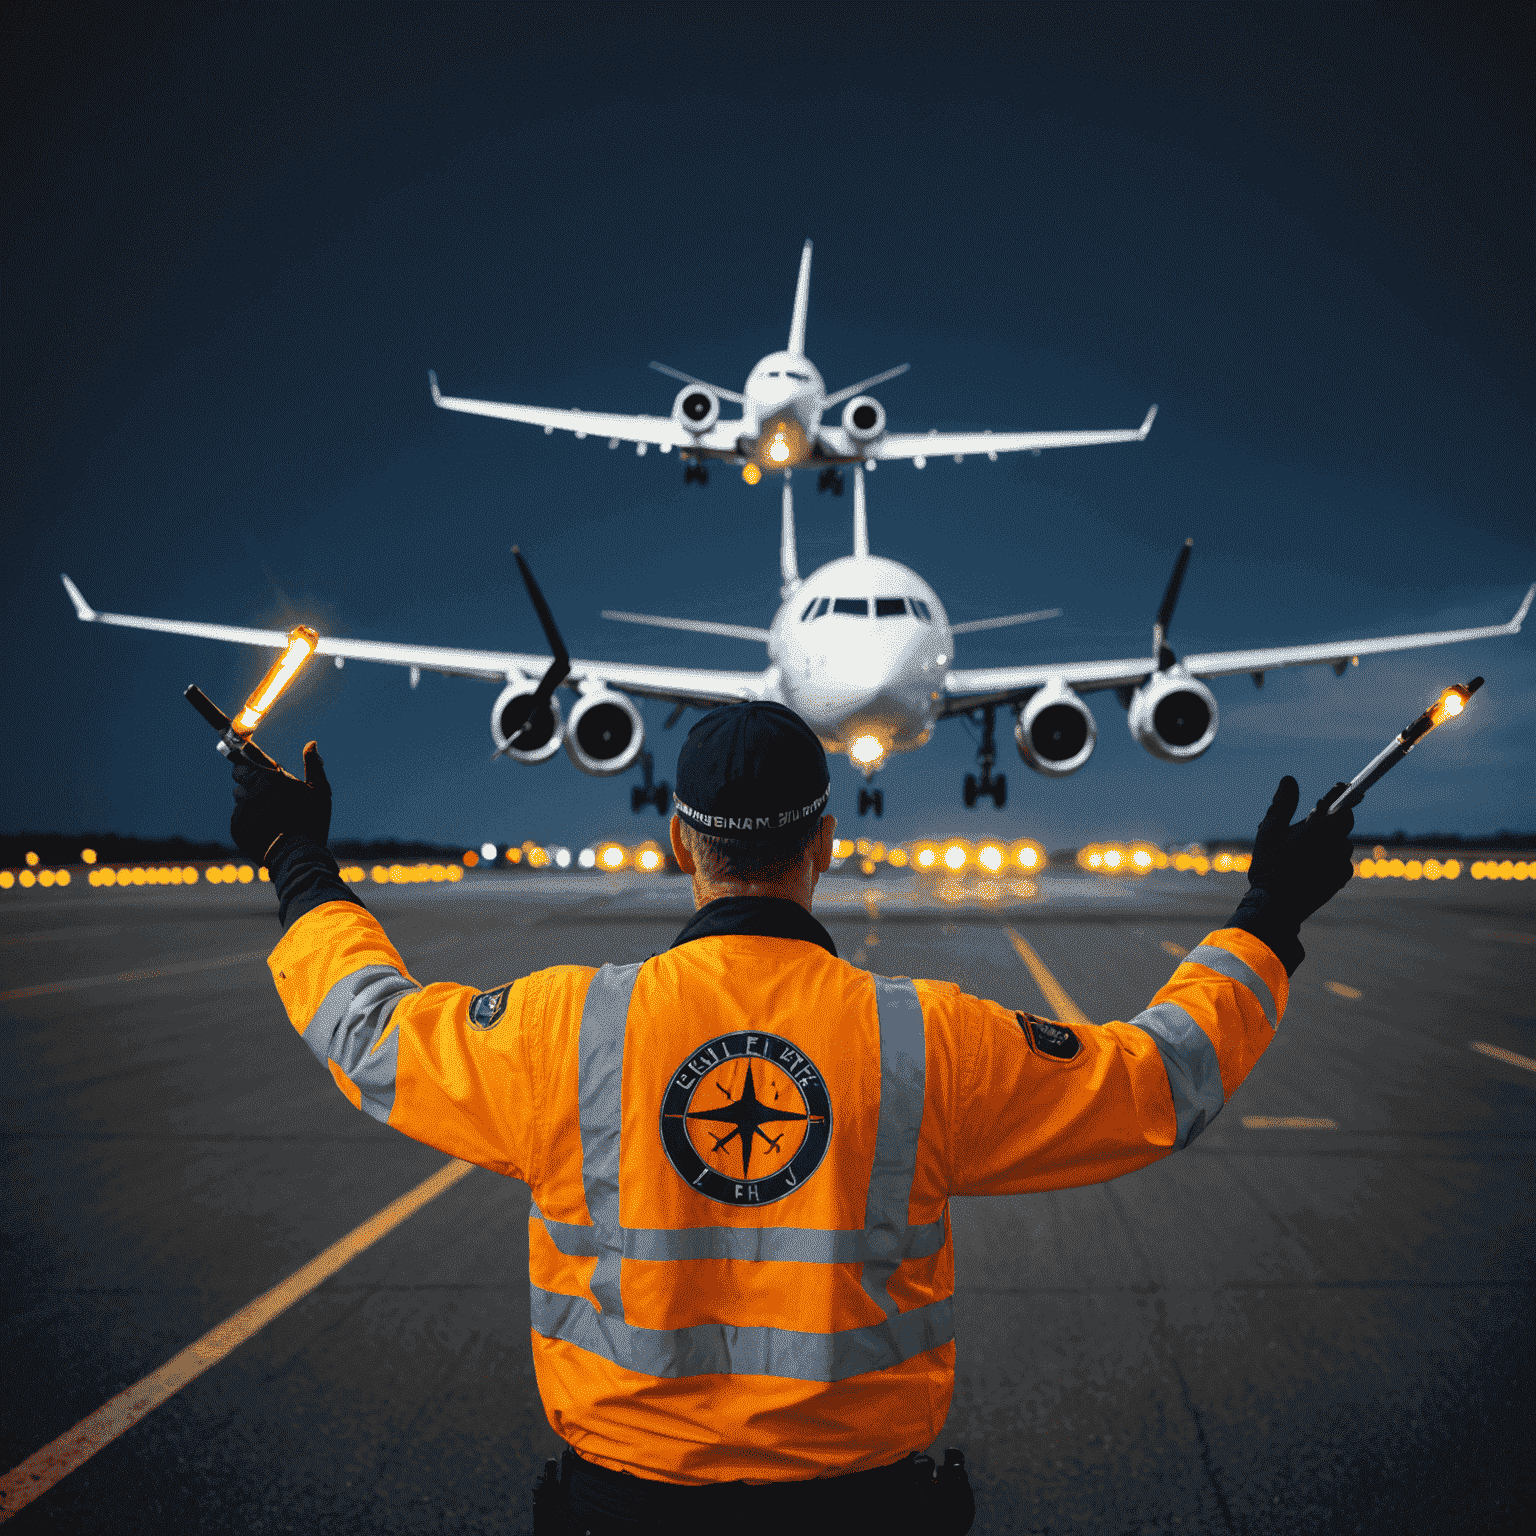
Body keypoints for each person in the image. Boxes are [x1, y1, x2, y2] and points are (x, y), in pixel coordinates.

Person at [229, 702, 1354, 1535]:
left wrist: (297, 861)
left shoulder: (565, 1029)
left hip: (624, 1502)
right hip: (864, 1507)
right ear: (822, 844)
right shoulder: (928, 1037)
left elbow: (365, 1026)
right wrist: (1267, 919)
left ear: (682, 844)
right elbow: (1159, 1082)